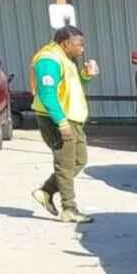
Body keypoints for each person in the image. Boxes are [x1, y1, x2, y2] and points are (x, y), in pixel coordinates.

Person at [30, 25, 98, 224]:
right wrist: (61, 123)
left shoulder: (65, 58)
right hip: (58, 119)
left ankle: (46, 191)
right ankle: (69, 209)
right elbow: (48, 94)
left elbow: (70, 87)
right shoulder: (48, 60)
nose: (82, 49)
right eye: (79, 45)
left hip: (72, 119)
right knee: (65, 164)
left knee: (79, 161)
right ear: (66, 43)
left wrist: (85, 75)